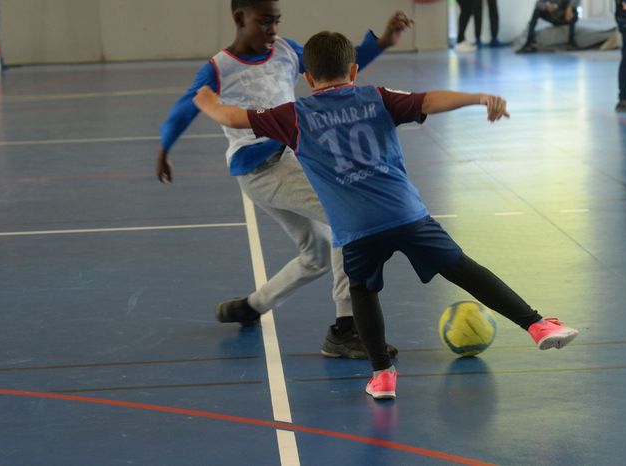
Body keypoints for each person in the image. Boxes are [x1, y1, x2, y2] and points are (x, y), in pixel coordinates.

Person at [192, 31, 580, 400]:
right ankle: (536, 323)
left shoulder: (293, 114)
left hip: (356, 230)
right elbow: (429, 101)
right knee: (463, 269)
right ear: (354, 71)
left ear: (308, 78)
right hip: (406, 215)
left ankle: (381, 375)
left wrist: (205, 99)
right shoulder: (376, 97)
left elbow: (232, 119)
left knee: (362, 292)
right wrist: (478, 97)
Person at [156, 0, 411, 358]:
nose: (272, 30)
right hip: (261, 170)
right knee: (345, 219)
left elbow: (334, 68)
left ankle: (253, 305)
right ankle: (346, 327)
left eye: (276, 22)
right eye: (263, 23)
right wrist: (164, 148)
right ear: (239, 18)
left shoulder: (287, 50)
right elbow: (186, 107)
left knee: (317, 253)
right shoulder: (218, 68)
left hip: (290, 158)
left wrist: (381, 42)